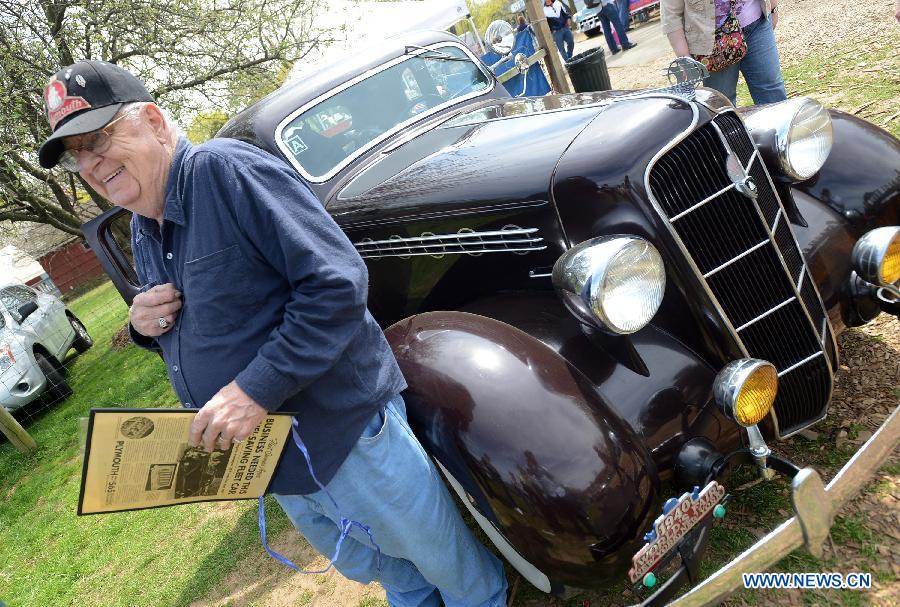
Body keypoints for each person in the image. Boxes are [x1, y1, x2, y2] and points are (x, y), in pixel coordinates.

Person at [37, 60, 508, 607]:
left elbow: (335, 284)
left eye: (99, 138)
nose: (91, 164)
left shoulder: (225, 172)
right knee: (386, 570)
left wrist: (253, 389)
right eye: (78, 156)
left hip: (343, 434)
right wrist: (145, 326)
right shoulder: (142, 224)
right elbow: (205, 319)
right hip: (269, 457)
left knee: (445, 564)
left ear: (154, 121)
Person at [661, 0, 786, 105]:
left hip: (757, 24)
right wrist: (685, 58)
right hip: (711, 46)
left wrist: (773, 8)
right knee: (723, 106)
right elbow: (671, 15)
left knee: (773, 94)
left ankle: (779, 134)